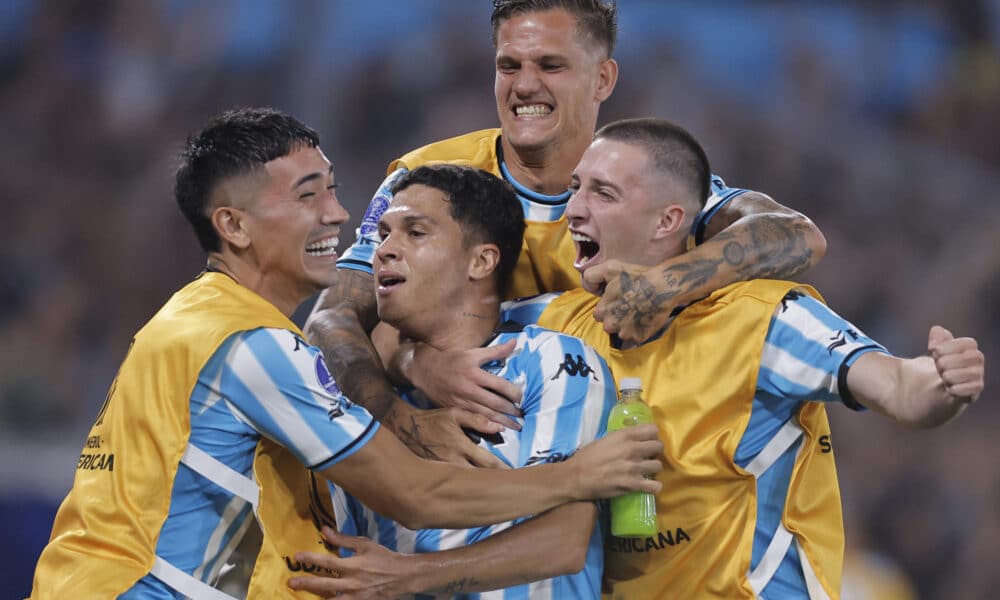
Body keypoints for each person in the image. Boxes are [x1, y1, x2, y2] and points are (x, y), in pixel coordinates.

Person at [290, 118, 985, 599]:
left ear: (667, 223)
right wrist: (419, 364)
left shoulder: (764, 317)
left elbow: (897, 386)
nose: (571, 211)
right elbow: (396, 331)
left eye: (601, 194)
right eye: (574, 191)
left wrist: (943, 384)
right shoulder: (552, 327)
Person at [27, 108, 664, 600]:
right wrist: (581, 477)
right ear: (235, 226)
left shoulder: (201, 322)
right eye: (309, 196)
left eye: (332, 189)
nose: (341, 215)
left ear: (482, 261)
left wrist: (411, 363)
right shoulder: (254, 348)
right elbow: (417, 492)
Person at [309, 0, 828, 461]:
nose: (525, 85)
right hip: (452, 476)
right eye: (508, 66)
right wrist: (413, 385)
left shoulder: (645, 178)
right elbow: (331, 320)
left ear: (603, 79)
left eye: (550, 65)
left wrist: (664, 285)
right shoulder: (426, 177)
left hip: (611, 474)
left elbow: (793, 235)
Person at [289, 163, 617, 598]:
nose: (385, 249)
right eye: (384, 233)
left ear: (482, 260)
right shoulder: (356, 390)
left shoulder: (551, 361)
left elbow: (564, 539)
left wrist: (405, 576)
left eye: (416, 233)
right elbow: (330, 324)